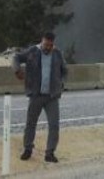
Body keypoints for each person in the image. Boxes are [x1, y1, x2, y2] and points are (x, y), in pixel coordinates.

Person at [12, 32, 68, 163]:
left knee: (54, 125)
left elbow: (65, 70)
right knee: (31, 124)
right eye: (45, 44)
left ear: (53, 44)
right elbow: (16, 57)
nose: (48, 47)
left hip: (52, 96)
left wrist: (61, 83)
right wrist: (17, 70)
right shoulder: (32, 51)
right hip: (36, 94)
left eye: (50, 45)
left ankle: (50, 153)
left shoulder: (57, 53)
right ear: (42, 41)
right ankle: (27, 149)